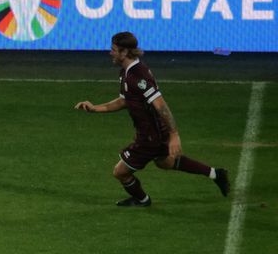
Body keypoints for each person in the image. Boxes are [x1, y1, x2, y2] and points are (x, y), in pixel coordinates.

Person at [74, 31, 231, 207]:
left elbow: (161, 106)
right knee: (165, 162)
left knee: (120, 172)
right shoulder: (126, 72)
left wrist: (174, 134)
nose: (110, 53)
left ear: (124, 52)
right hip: (153, 132)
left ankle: (142, 200)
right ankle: (216, 174)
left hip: (150, 136)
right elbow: (124, 100)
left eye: (114, 50)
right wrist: (96, 108)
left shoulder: (138, 76)